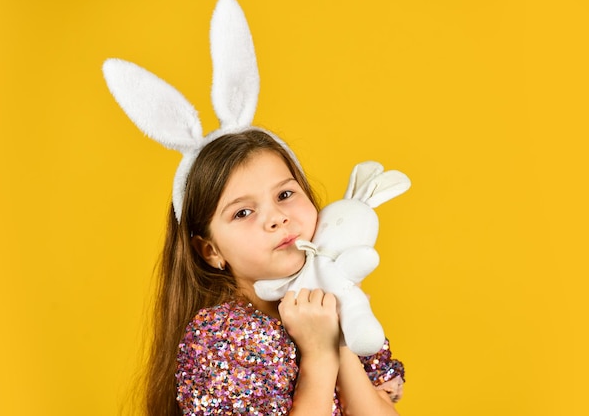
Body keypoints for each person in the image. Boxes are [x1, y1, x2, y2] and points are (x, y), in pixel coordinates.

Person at [143, 128, 405, 415]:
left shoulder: (340, 302)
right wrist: (319, 357)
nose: (278, 218)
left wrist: (337, 338)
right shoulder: (220, 339)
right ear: (211, 251)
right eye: (242, 212)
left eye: (284, 194)